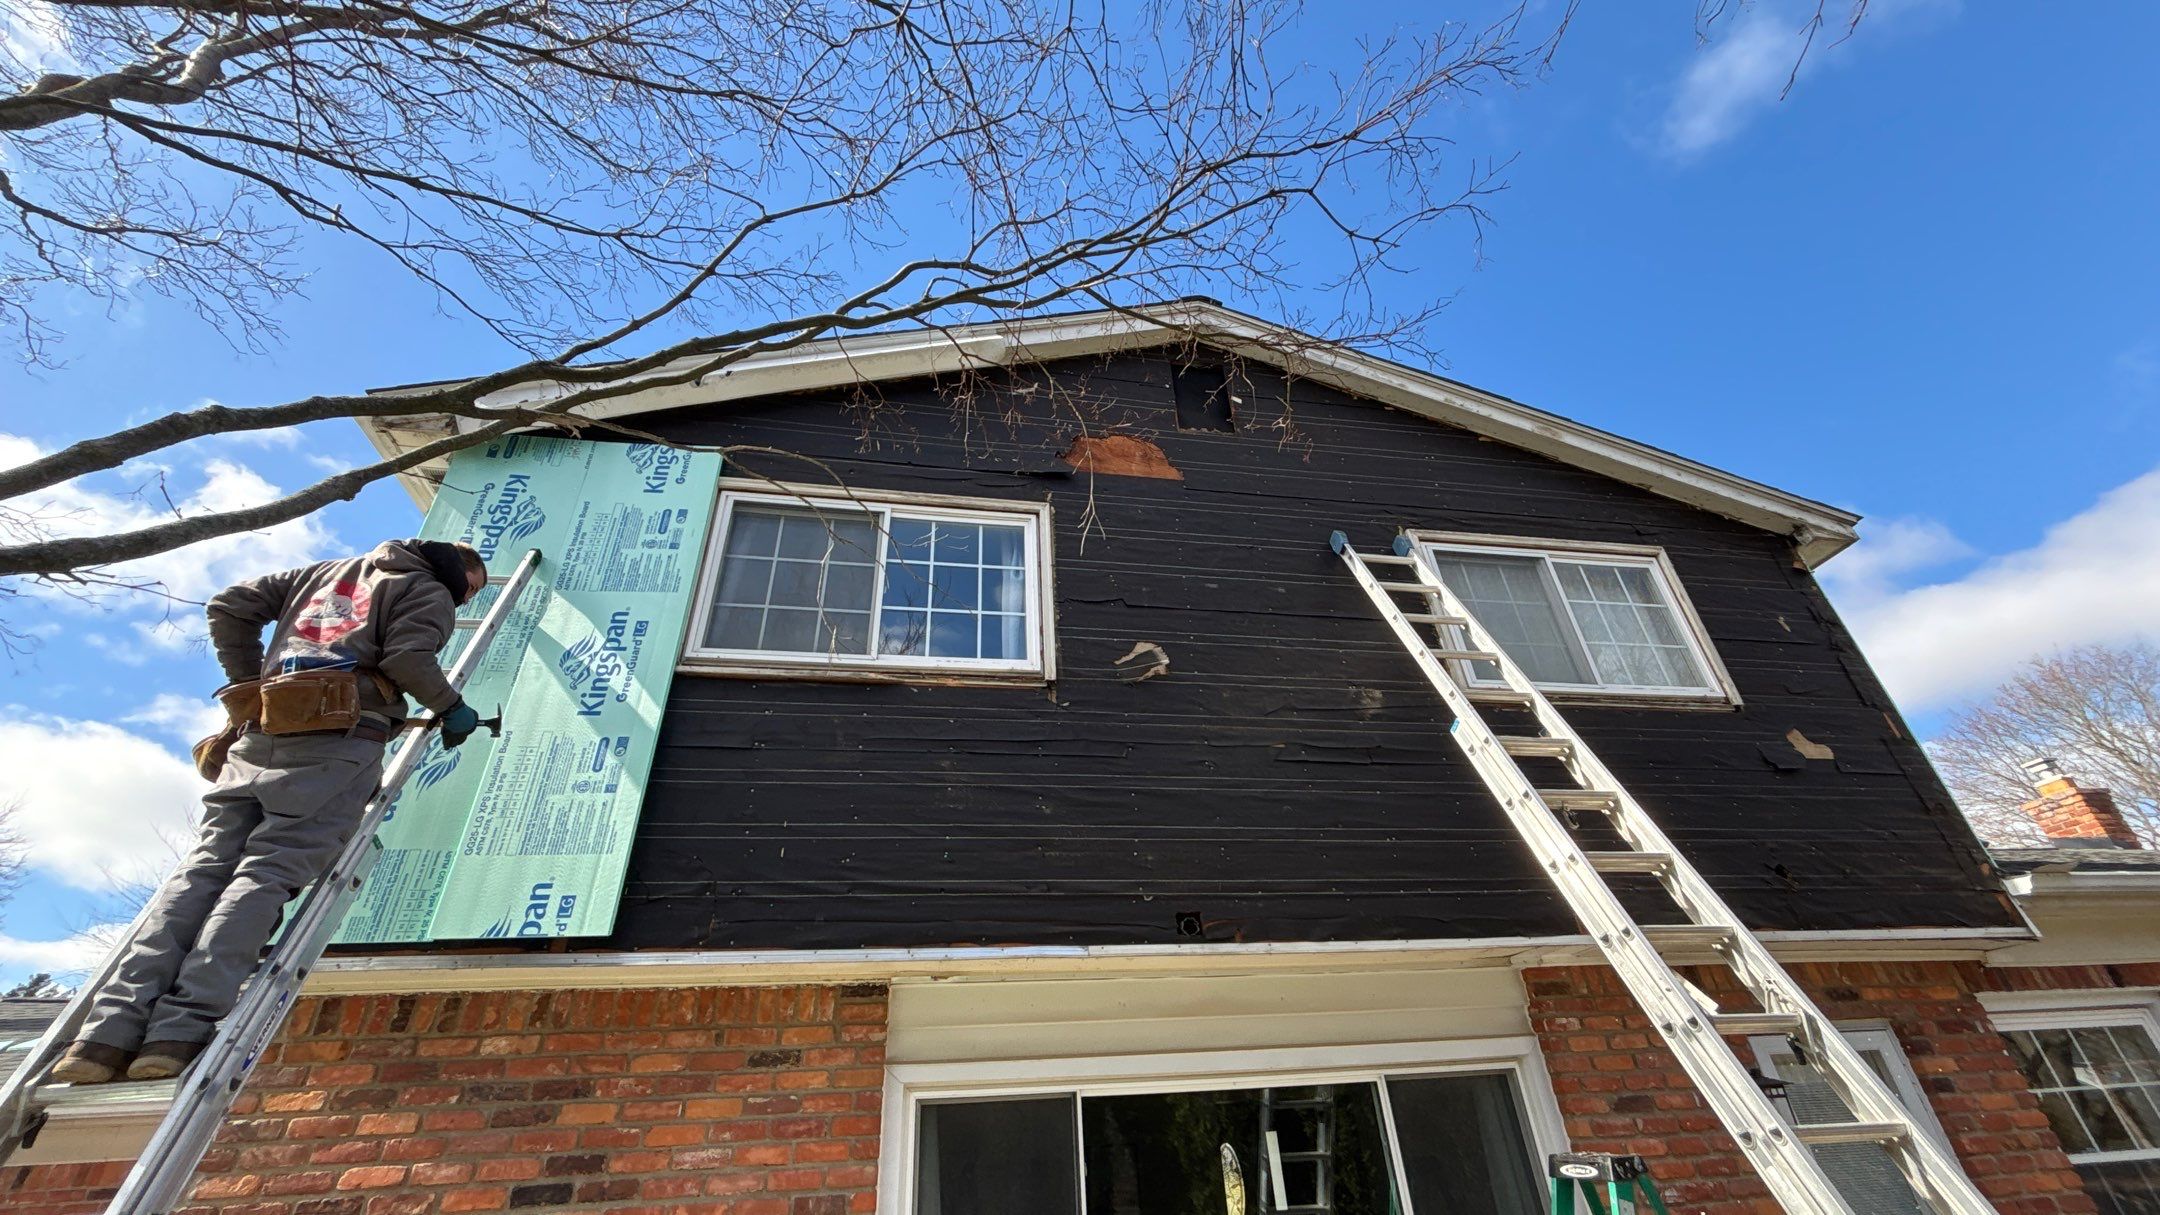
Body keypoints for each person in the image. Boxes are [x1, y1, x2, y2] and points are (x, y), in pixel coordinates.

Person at [50, 539, 490, 1084]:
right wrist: (451, 708)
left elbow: (230, 604)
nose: (465, 603)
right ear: (459, 571)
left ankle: (104, 1035)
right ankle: (177, 1032)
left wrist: (248, 684)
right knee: (267, 872)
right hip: (336, 736)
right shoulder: (428, 588)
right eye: (471, 591)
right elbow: (406, 657)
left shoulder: (325, 572)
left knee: (202, 871)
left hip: (262, 732)